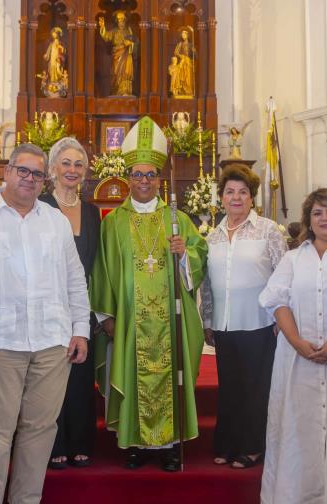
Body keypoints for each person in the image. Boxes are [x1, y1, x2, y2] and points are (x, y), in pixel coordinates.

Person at [0, 143, 91, 504]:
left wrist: (80, 329)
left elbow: (74, 279)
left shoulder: (55, 222)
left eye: (37, 174)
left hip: (51, 342)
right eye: (23, 171)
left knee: (40, 431)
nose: (30, 179)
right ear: (7, 171)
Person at [90, 115, 208, 472]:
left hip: (169, 322)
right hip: (129, 319)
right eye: (137, 174)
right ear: (127, 178)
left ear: (159, 179)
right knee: (132, 373)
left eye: (150, 175)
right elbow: (103, 269)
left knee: (170, 375)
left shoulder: (178, 219)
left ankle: (170, 446)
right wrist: (107, 316)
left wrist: (183, 254)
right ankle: (135, 444)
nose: (144, 181)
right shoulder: (112, 222)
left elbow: (201, 258)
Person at [258, 187, 327, 503]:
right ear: (308, 220)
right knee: (297, 430)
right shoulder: (293, 258)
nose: (324, 218)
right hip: (296, 361)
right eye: (317, 213)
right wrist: (297, 342)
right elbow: (277, 302)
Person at [200, 163, 287, 469]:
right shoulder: (213, 237)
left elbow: (283, 277)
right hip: (224, 325)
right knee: (230, 389)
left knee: (255, 389)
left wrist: (281, 318)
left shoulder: (268, 231)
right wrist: (207, 320)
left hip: (260, 324)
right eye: (230, 192)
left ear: (252, 198)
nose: (236, 198)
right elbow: (208, 285)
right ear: (221, 197)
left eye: (243, 192)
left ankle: (252, 446)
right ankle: (227, 443)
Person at [39, 137, 102, 470]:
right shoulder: (40, 207)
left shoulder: (92, 212)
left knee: (79, 377)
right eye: (65, 163)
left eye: (78, 164)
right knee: (50, 379)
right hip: (48, 309)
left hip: (81, 308)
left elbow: (96, 263)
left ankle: (80, 441)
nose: (72, 170)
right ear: (52, 169)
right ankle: (54, 443)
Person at [98, 11, 137, 96]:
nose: (121, 21)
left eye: (122, 19)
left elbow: (134, 42)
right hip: (117, 55)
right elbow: (106, 36)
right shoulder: (114, 31)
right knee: (116, 72)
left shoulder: (129, 31)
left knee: (126, 72)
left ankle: (126, 91)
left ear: (125, 20)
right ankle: (116, 91)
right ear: (117, 21)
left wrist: (131, 43)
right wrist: (102, 27)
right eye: (119, 20)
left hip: (127, 55)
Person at [172, 27, 195, 97]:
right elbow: (175, 52)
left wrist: (194, 51)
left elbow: (196, 56)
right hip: (182, 62)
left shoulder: (191, 45)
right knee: (182, 77)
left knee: (188, 77)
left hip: (188, 63)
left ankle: (188, 91)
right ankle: (182, 90)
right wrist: (181, 56)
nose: (183, 35)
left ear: (187, 35)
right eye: (182, 34)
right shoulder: (180, 44)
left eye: (184, 34)